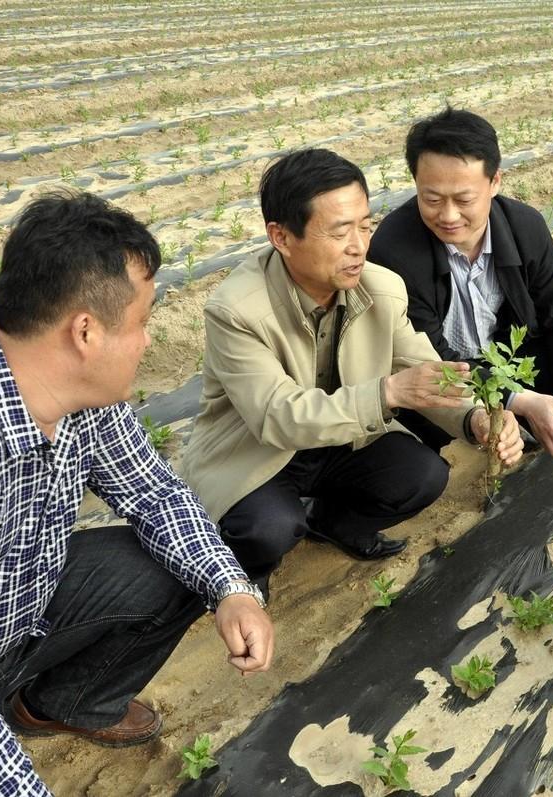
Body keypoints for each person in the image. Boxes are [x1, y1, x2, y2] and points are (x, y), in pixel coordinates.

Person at [0, 191, 274, 797]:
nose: (146, 341)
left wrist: (232, 590)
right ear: (85, 331)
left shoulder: (83, 401)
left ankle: (59, 702)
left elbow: (157, 495)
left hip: (5, 623)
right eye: (141, 322)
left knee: (174, 564)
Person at [181, 148, 521, 597]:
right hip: (258, 452)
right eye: (340, 232)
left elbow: (423, 368)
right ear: (281, 237)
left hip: (342, 436)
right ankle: (246, 573)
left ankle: (335, 524)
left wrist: (475, 417)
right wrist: (387, 393)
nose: (359, 246)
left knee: (421, 474)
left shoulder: (381, 287)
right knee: (268, 528)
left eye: (365, 225)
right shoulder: (237, 310)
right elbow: (277, 418)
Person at [368, 107, 553, 469]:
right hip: (442, 377)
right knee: (423, 431)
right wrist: (517, 399)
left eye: (464, 199)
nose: (448, 216)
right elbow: (429, 355)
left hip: (505, 361)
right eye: (432, 199)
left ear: (495, 182)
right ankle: (483, 429)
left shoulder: (524, 227)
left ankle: (536, 423)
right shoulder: (395, 249)